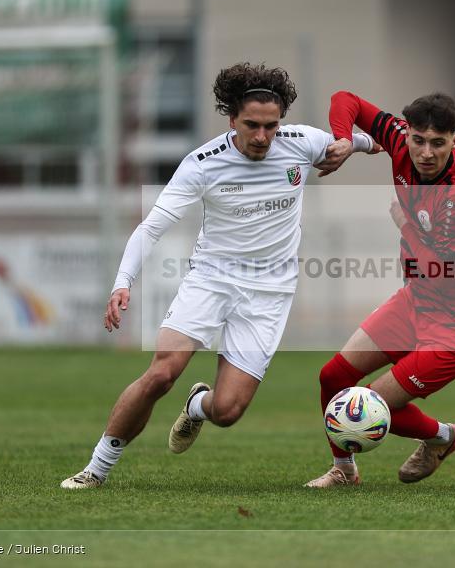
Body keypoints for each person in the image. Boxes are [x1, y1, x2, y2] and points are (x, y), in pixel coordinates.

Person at [61, 63, 378, 489]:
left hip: (269, 292)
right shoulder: (203, 163)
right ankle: (95, 470)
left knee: (227, 411)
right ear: (232, 120)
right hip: (211, 279)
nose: (263, 136)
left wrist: (353, 145)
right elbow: (151, 226)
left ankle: (197, 407)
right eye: (252, 125)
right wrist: (123, 282)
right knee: (160, 374)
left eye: (271, 125)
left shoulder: (302, 142)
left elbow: (367, 140)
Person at [304, 91, 455, 487]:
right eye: (419, 140)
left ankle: (444, 436)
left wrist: (404, 223)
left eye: (438, 143)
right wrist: (344, 139)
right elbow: (346, 99)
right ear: (407, 133)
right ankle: (344, 470)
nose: (426, 153)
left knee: (374, 405)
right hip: (421, 299)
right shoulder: (398, 139)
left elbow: (440, 265)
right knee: (333, 377)